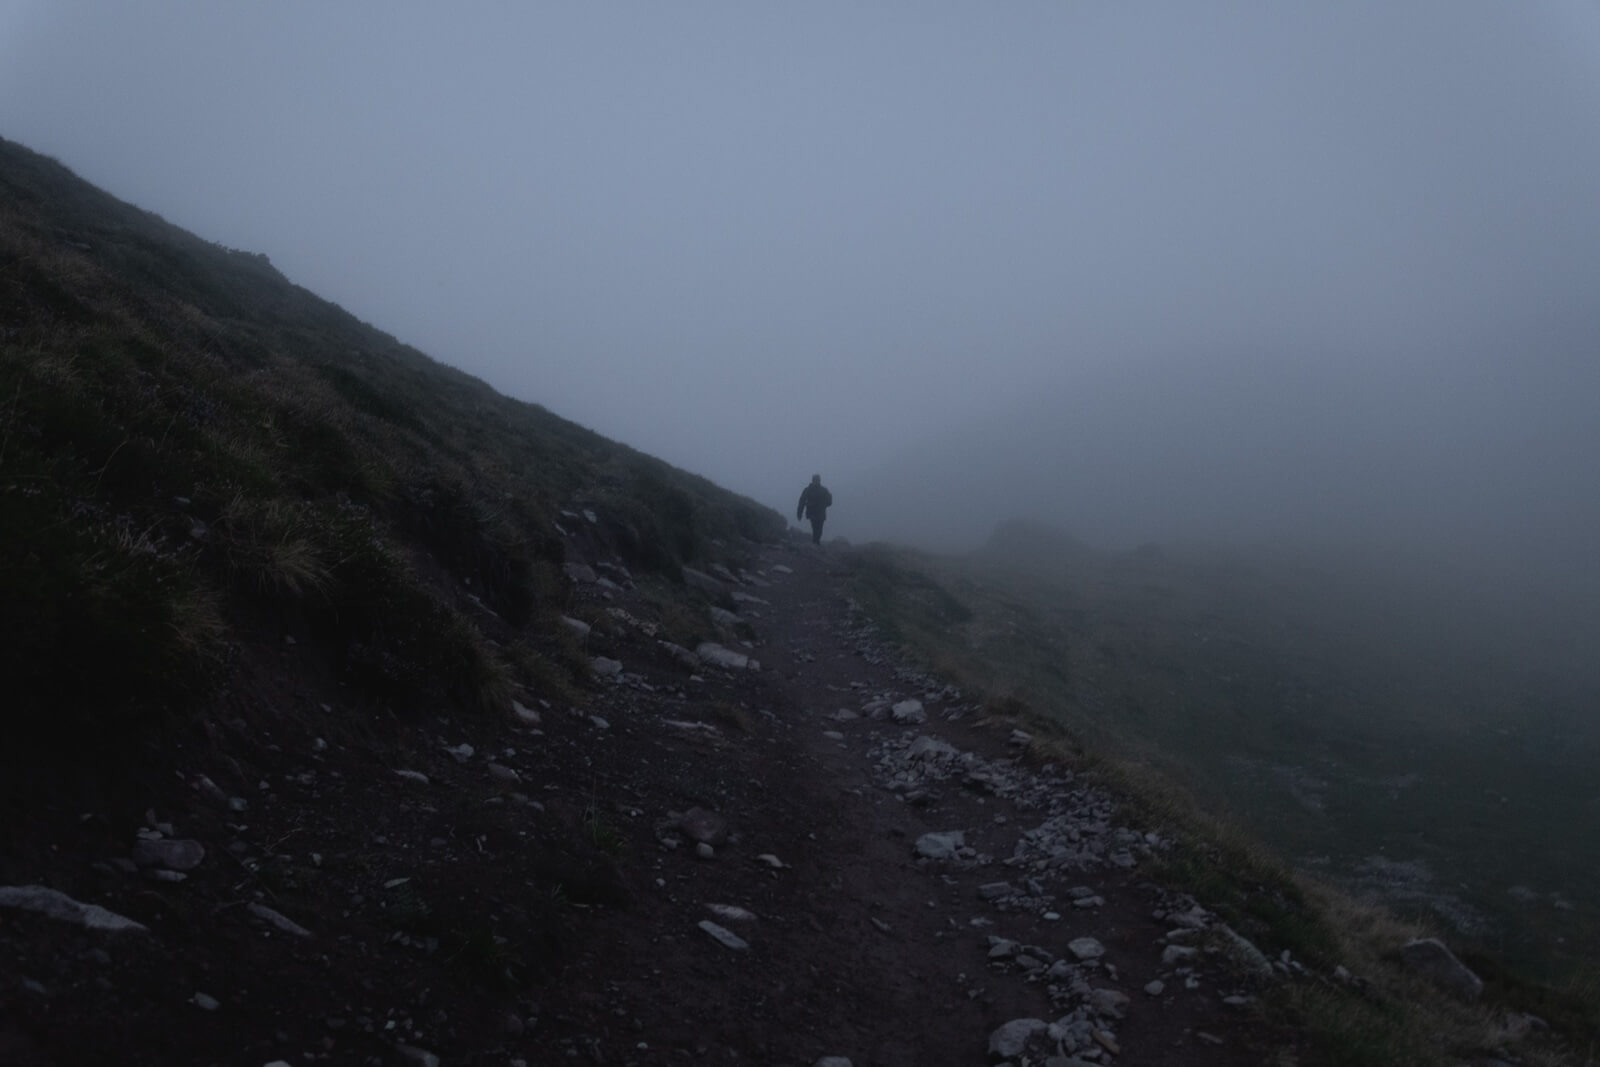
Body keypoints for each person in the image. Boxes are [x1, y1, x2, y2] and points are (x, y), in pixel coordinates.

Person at [796, 474, 832, 545]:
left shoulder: (822, 490)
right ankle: (816, 543)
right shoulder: (809, 490)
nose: (816, 481)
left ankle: (816, 543)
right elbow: (802, 501)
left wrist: (823, 505)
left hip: (819, 513)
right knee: (816, 528)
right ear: (813, 480)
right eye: (815, 480)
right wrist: (799, 513)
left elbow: (829, 501)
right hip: (813, 513)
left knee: (818, 529)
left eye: (817, 480)